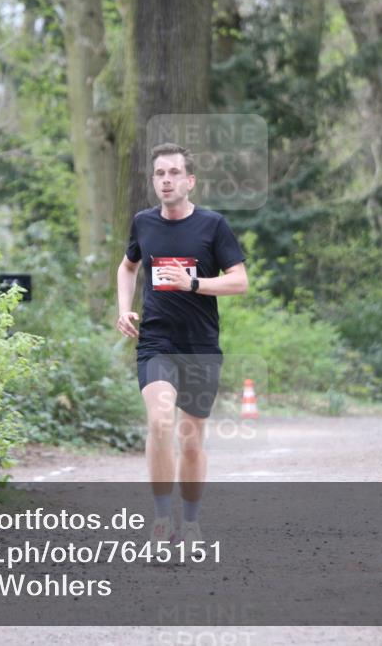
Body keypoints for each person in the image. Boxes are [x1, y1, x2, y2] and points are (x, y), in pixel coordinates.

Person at [115, 142, 248, 550]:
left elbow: (239, 281)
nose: (166, 180)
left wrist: (193, 283)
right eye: (160, 173)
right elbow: (128, 266)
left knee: (191, 443)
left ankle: (190, 523)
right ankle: (160, 521)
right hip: (156, 340)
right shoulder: (143, 223)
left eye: (174, 173)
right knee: (159, 421)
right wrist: (123, 309)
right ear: (153, 181)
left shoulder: (213, 226)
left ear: (190, 181)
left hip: (200, 345)